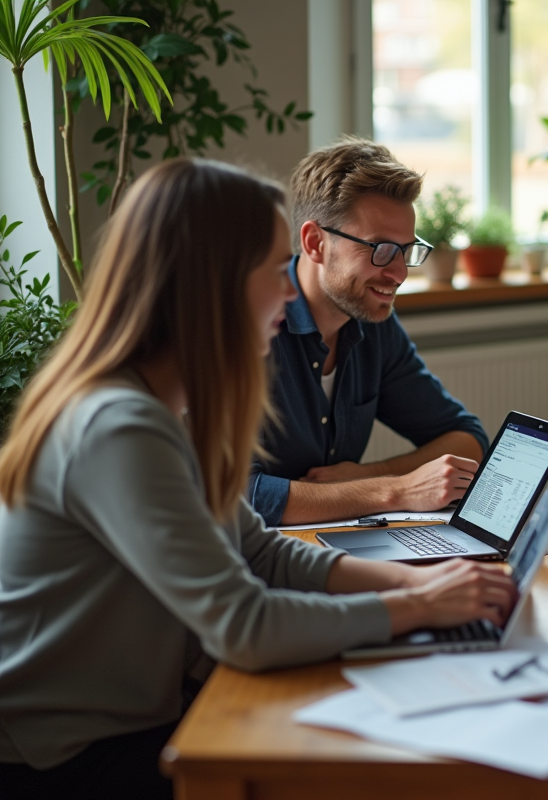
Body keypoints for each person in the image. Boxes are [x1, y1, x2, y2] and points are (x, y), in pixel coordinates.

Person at [0, 159, 516, 800]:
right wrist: (417, 607)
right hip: (64, 758)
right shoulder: (118, 425)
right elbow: (244, 627)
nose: (289, 292)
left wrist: (420, 582)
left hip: (134, 716)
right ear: (211, 284)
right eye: (274, 271)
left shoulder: (158, 407)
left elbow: (260, 551)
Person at [249, 137, 489, 527]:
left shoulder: (372, 324)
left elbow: (466, 439)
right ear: (315, 243)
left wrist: (368, 474)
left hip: (323, 547)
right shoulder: (251, 325)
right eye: (380, 249)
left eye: (406, 250)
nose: (399, 274)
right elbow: (236, 495)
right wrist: (395, 489)